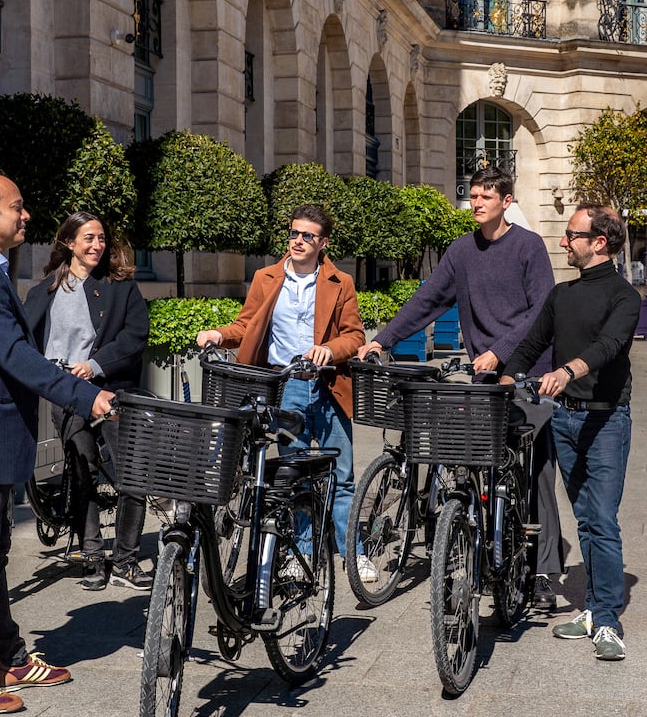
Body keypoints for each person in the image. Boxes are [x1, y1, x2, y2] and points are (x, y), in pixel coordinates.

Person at [0, 171, 116, 714]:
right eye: (17, 205)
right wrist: (85, 396)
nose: (26, 214)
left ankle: (9, 656)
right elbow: (14, 355)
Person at [358, 165, 564, 608]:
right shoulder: (462, 251)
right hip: (485, 375)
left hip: (529, 371)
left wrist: (500, 351)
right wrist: (383, 339)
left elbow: (542, 310)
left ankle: (544, 570)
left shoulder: (528, 246)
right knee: (474, 457)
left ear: (506, 201)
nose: (477, 203)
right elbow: (428, 299)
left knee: (536, 470)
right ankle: (478, 537)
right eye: (474, 195)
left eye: (487, 197)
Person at [196, 203, 369, 578]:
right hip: (285, 386)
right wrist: (219, 335)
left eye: (307, 235)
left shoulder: (340, 282)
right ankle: (300, 553)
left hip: (328, 386)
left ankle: (353, 552)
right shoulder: (266, 278)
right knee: (295, 475)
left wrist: (330, 349)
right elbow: (247, 325)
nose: (298, 241)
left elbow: (355, 336)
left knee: (341, 476)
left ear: (323, 242)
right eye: (294, 233)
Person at [501, 204, 640, 661]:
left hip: (605, 421)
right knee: (584, 518)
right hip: (564, 418)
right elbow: (530, 344)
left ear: (599, 242)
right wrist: (505, 380)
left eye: (571, 235)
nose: (563, 242)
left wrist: (567, 371)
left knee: (602, 519)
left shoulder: (625, 297)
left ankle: (607, 620)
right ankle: (594, 610)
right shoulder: (561, 295)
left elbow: (610, 345)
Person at [23, 211, 151, 591]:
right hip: (66, 393)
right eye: (89, 239)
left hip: (113, 390)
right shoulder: (43, 292)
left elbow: (135, 337)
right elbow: (23, 343)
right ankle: (92, 556)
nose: (97, 245)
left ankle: (125, 560)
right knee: (82, 471)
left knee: (132, 473)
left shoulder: (121, 287)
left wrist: (95, 366)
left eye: (101, 239)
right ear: (69, 243)